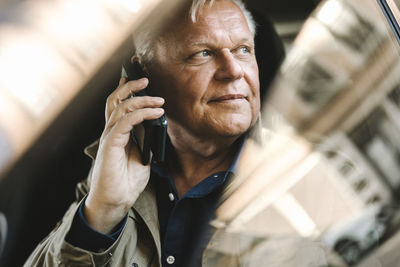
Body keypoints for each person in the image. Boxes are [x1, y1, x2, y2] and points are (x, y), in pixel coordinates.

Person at [24, 0, 261, 266]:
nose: (234, 70)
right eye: (203, 53)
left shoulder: (301, 171)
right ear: (144, 71)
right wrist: (103, 211)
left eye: (243, 49)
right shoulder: (118, 166)